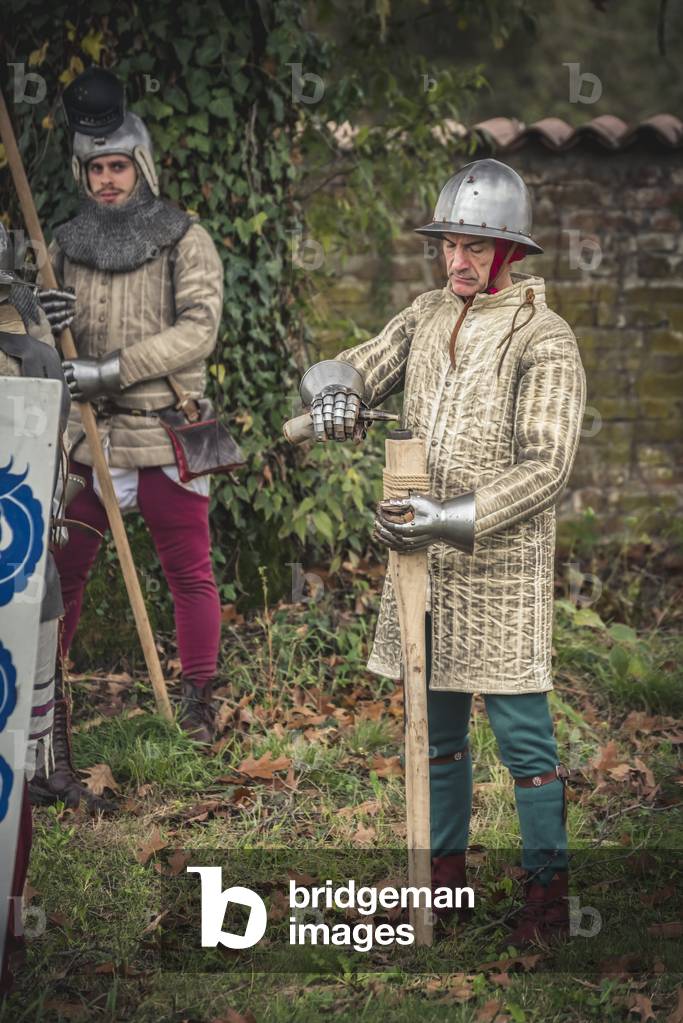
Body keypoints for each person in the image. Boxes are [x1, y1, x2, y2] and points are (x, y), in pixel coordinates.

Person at [299, 158, 587, 947]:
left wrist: (448, 515)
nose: (456, 262)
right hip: (422, 572)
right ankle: (443, 881)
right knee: (437, 731)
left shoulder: (543, 337)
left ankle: (546, 894)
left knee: (524, 740)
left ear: (510, 253)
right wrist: (334, 392)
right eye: (447, 245)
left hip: (499, 571)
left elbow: (546, 465)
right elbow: (357, 363)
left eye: (473, 248)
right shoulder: (425, 314)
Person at [33, 104, 224, 808]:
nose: (107, 179)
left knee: (188, 573)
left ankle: (199, 701)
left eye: (118, 166)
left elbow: (198, 331)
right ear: (83, 175)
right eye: (96, 168)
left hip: (165, 430)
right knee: (62, 575)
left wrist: (112, 369)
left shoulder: (185, 239)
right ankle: (43, 713)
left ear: (140, 166)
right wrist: (40, 320)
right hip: (91, 437)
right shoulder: (64, 242)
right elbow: (34, 339)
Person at [0, 222, 78, 993]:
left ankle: (10, 915)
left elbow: (49, 483)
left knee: (18, 754)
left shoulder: (36, 348)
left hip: (20, 581)